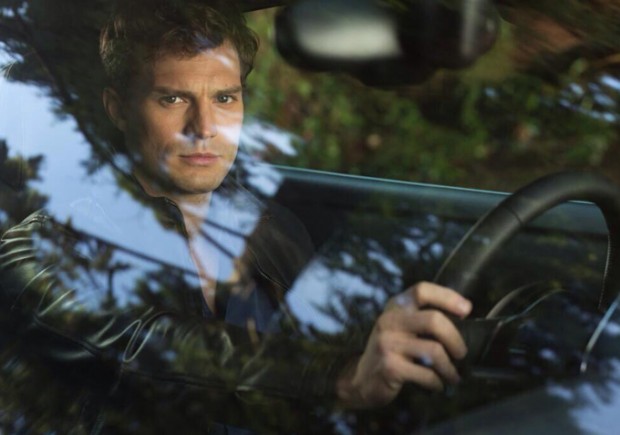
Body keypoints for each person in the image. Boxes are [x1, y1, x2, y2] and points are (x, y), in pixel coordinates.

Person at [0, 0, 472, 432]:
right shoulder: (39, 251)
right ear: (118, 109)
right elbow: (149, 347)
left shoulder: (272, 228)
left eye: (224, 98)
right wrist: (338, 377)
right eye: (173, 98)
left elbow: (342, 339)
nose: (205, 128)